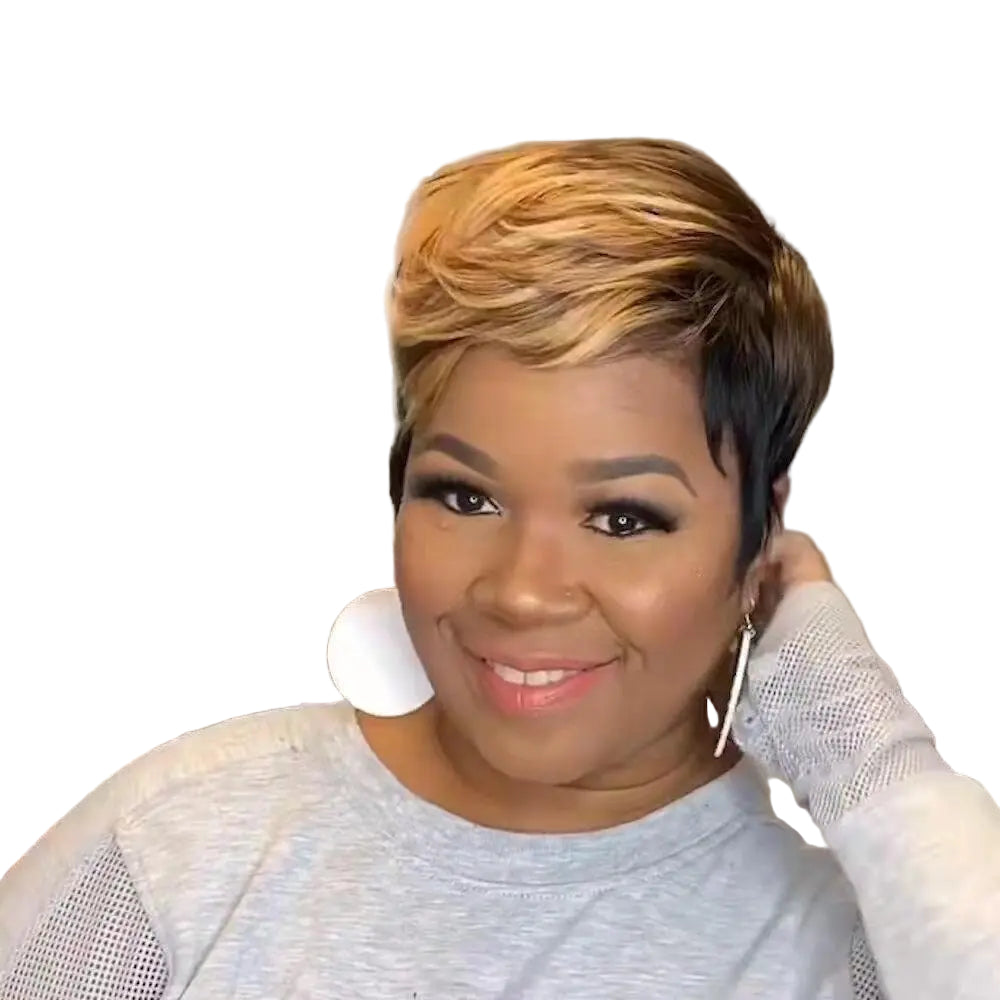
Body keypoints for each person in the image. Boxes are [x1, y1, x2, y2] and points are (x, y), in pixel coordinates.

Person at [1, 138, 998, 1000]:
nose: (522, 589)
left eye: (623, 517)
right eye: (464, 496)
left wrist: (863, 753)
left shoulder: (857, 957)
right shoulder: (183, 850)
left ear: (757, 535)